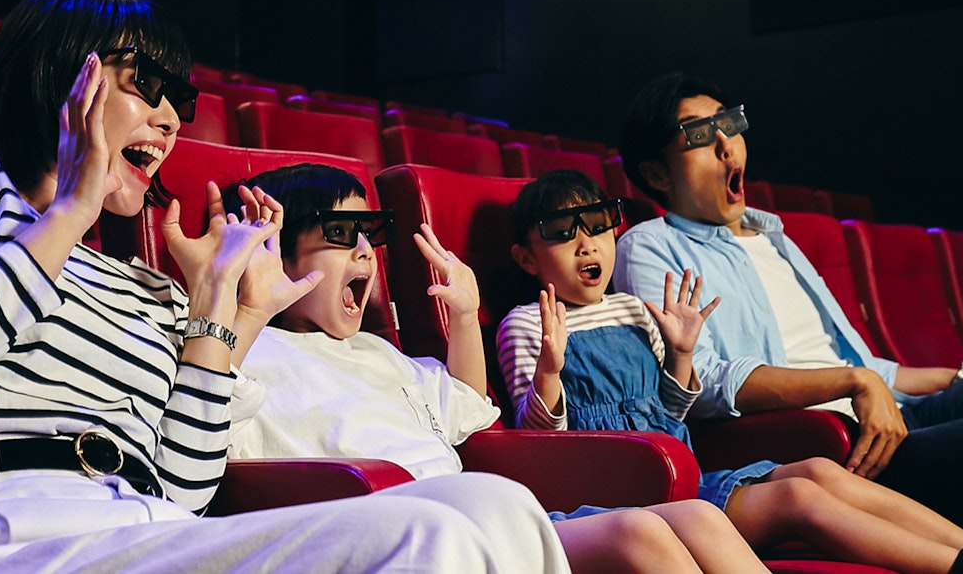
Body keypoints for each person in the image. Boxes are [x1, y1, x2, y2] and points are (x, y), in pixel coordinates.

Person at [0, 0, 573, 573]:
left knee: (495, 505)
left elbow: (182, 487)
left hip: (142, 523)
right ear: (64, 74)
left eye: (180, 101)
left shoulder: (147, 291)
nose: (172, 120)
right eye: (147, 87)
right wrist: (69, 212)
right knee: (433, 535)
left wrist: (216, 313)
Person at [224, 163, 771, 574]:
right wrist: (244, 298)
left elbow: (463, 410)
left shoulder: (376, 352)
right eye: (343, 233)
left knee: (702, 518)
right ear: (273, 251)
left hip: (483, 519)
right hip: (413, 539)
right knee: (638, 536)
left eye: (371, 234)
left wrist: (463, 317)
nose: (367, 252)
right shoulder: (249, 354)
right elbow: (215, 446)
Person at [498, 168, 963, 573]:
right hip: (620, 488)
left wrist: (681, 353)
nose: (585, 245)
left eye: (598, 225)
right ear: (526, 258)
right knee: (797, 499)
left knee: (819, 472)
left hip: (682, 476)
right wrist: (549, 371)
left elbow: (669, 411)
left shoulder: (634, 311)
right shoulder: (527, 323)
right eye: (562, 232)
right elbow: (538, 437)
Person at [612, 71, 963, 527]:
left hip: (890, 415)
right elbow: (701, 381)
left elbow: (861, 364)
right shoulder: (650, 246)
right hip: (836, 446)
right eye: (699, 135)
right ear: (657, 173)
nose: (726, 145)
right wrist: (853, 382)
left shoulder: (774, 237)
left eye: (729, 125)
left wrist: (953, 378)